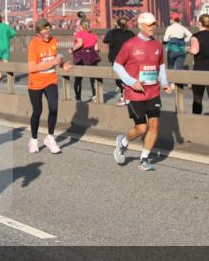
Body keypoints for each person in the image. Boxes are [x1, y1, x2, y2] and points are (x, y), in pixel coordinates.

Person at [111, 12, 174, 171]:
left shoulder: (158, 45)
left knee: (154, 126)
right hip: (135, 93)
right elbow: (117, 65)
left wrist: (165, 83)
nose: (153, 27)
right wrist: (132, 82)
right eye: (149, 24)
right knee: (142, 128)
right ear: (141, 26)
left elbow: (160, 66)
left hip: (153, 91)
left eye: (154, 24)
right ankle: (123, 142)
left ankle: (144, 159)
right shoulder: (130, 44)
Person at [27, 20, 72, 154]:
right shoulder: (33, 44)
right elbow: (32, 67)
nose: (48, 34)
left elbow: (55, 59)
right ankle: (33, 140)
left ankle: (50, 138)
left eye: (49, 31)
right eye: (44, 32)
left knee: (53, 108)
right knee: (37, 111)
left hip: (51, 79)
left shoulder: (54, 41)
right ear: (38, 34)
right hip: (36, 82)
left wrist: (63, 65)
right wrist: (53, 62)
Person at [103, 17, 135, 105]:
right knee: (127, 77)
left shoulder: (112, 32)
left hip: (116, 58)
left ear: (117, 24)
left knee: (118, 79)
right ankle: (128, 96)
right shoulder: (131, 33)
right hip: (128, 58)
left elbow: (105, 40)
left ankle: (123, 95)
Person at [71, 17, 101, 102]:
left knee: (78, 78)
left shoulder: (79, 34)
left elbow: (80, 44)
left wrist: (72, 49)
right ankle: (95, 96)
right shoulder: (94, 35)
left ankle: (78, 97)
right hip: (92, 56)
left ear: (81, 26)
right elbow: (96, 48)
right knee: (93, 77)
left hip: (81, 56)